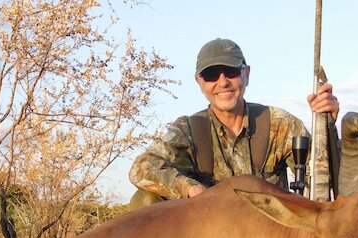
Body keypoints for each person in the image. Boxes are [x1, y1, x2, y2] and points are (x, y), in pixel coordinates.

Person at [128, 38, 340, 210]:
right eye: (211, 75)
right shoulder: (188, 130)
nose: (223, 82)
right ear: (199, 82)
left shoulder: (279, 124)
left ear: (246, 74)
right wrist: (191, 189)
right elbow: (141, 168)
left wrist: (328, 127)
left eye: (231, 71)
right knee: (145, 200)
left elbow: (325, 177)